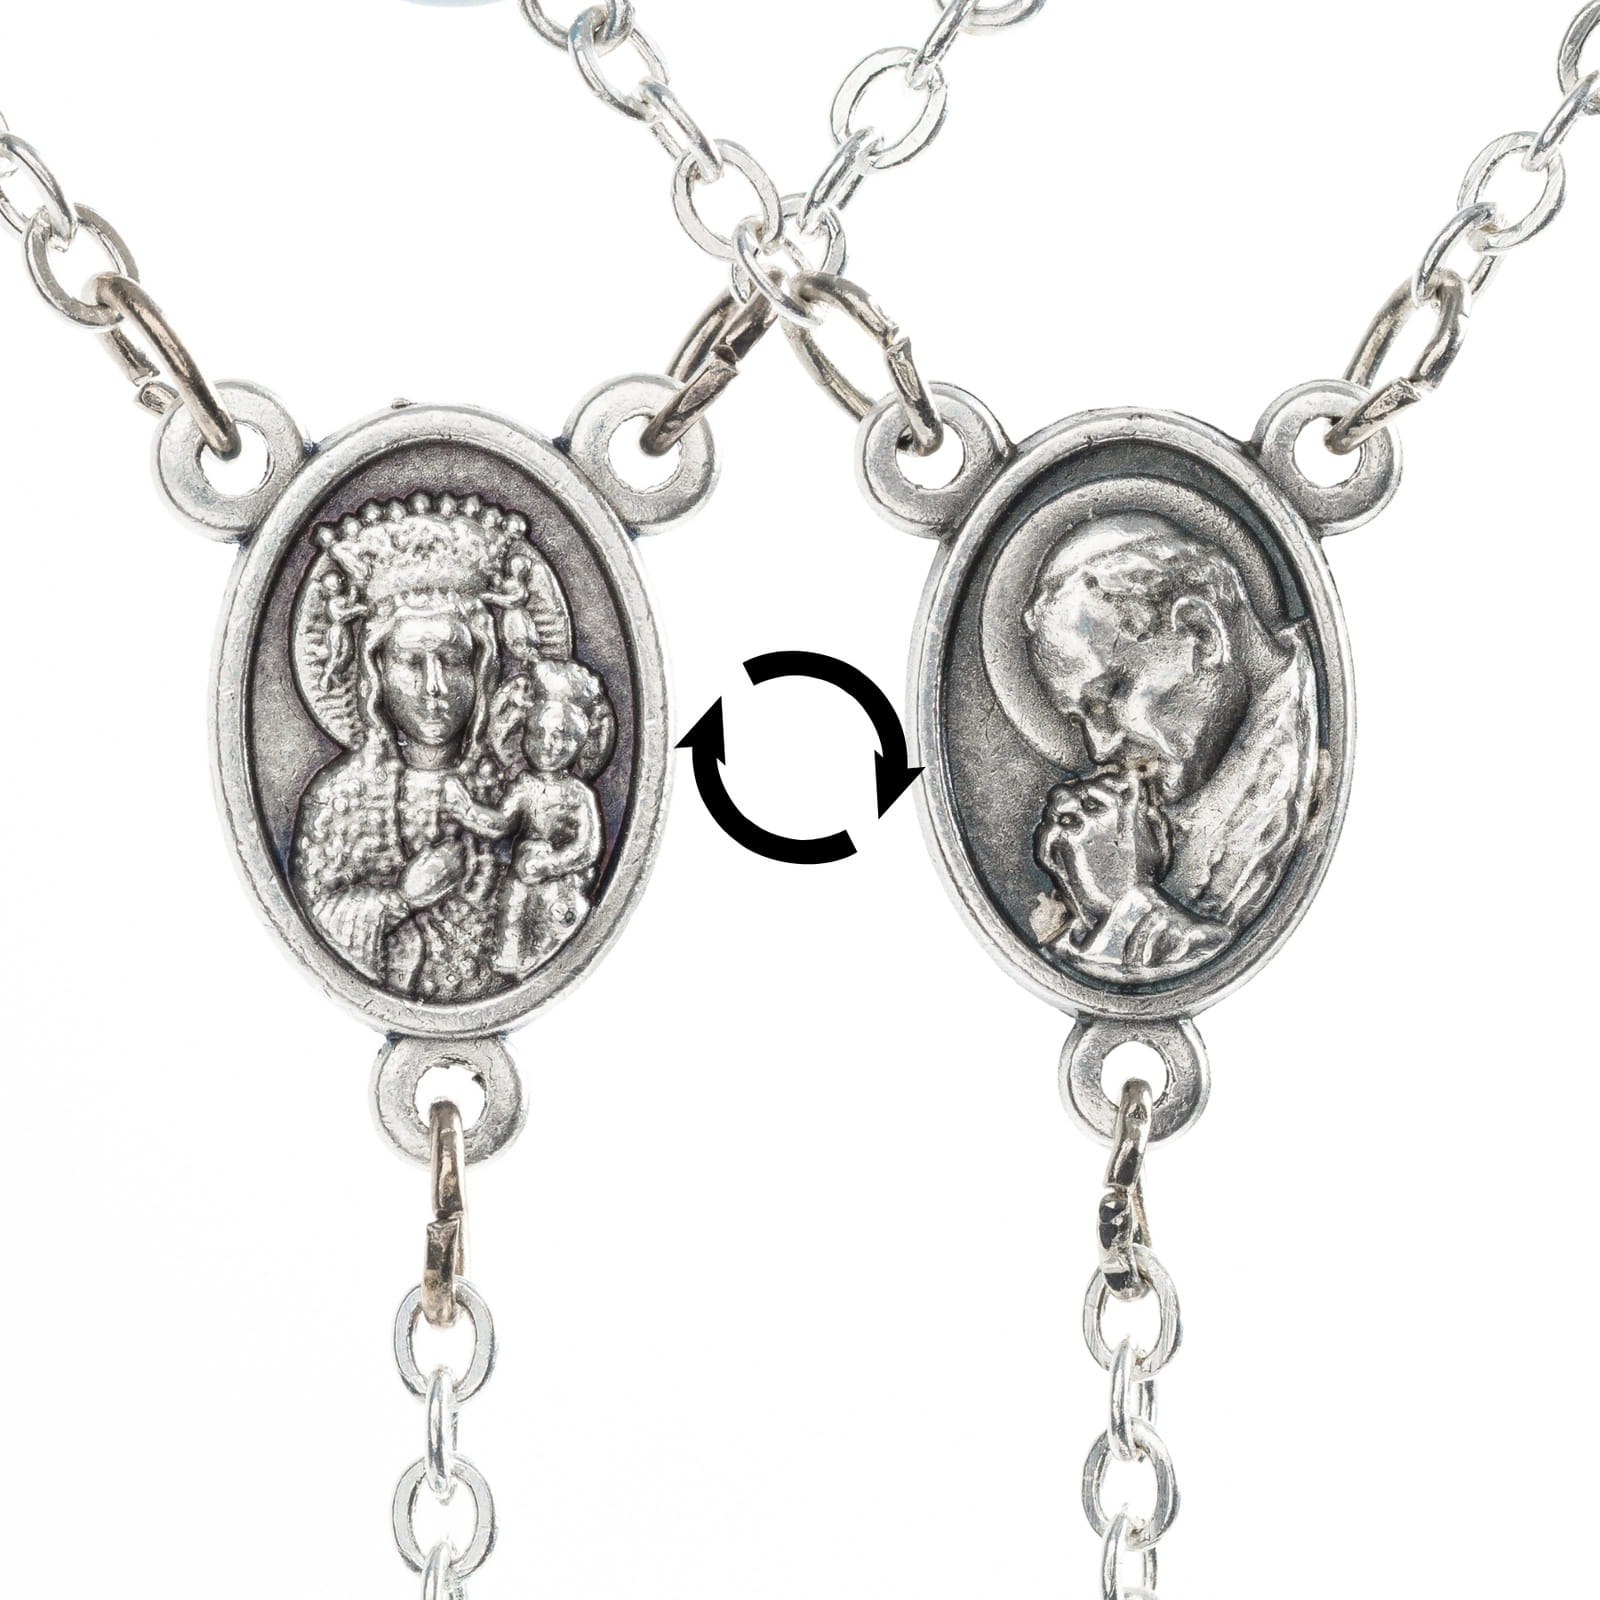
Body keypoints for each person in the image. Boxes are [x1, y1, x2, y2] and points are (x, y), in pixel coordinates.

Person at [1021, 511, 1317, 979]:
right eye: (1079, 719)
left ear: (1202, 633)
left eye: (1108, 697)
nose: (1100, 748)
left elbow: (1206, 956)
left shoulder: (1303, 746)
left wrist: (1126, 905)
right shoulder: (1145, 805)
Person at [440, 658, 615, 979]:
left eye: (560, 736)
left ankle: (542, 957)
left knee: (552, 909)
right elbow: (500, 823)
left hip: (562, 880)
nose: (547, 745)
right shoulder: (525, 786)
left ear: (579, 743)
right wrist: (465, 810)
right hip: (523, 874)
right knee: (514, 899)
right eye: (538, 733)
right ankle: (510, 957)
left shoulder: (578, 794)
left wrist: (552, 864)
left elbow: (588, 847)